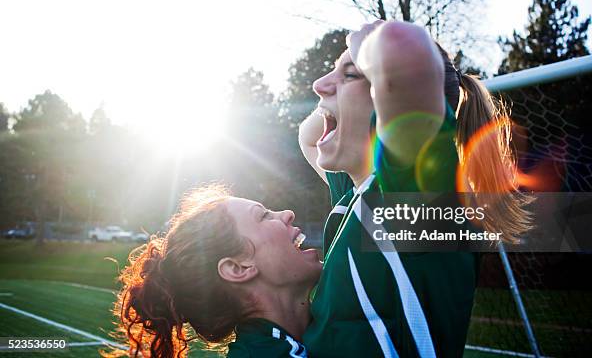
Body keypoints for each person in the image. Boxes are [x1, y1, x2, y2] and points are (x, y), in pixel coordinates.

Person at [298, 20, 531, 357]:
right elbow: (309, 138)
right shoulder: (356, 196)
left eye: (352, 73)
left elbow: (405, 50)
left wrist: (369, 48)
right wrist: (342, 93)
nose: (319, 84)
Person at [106, 185, 321, 358]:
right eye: (263, 216)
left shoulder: (327, 317)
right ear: (238, 268)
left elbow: (314, 140)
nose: (287, 214)